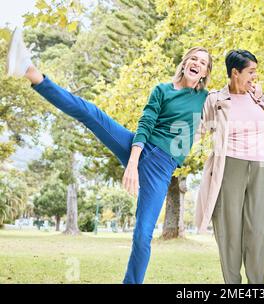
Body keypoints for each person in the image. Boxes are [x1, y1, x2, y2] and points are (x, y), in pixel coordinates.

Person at [6, 28, 212, 284]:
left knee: (142, 235)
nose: (197, 63)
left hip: (161, 168)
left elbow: (234, 97)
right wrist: (133, 163)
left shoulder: (205, 99)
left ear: (205, 73)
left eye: (203, 63)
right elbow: (146, 124)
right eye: (194, 58)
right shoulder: (162, 90)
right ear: (185, 63)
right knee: (91, 114)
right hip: (138, 148)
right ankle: (30, 71)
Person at [195, 50, 264, 284]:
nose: (255, 77)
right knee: (230, 234)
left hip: (261, 169)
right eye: (250, 72)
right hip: (229, 166)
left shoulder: (258, 98)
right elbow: (198, 130)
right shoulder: (215, 99)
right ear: (235, 73)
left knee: (256, 235)